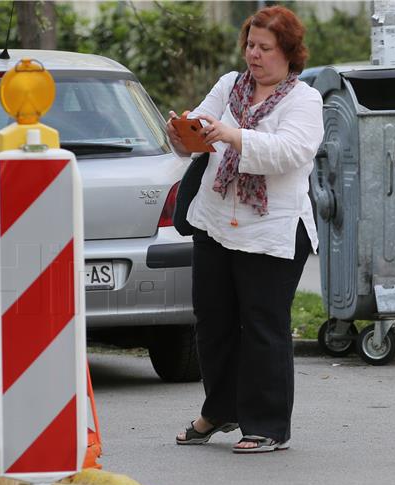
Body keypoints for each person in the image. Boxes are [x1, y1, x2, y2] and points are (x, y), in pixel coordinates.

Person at [167, 5, 323, 453]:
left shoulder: (304, 100)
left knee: (263, 327)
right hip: (215, 221)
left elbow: (291, 153)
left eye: (265, 48)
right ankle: (220, 410)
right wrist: (182, 133)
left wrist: (233, 136)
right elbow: (200, 131)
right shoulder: (228, 86)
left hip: (272, 229)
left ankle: (268, 425)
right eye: (250, 45)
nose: (253, 55)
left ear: (289, 53)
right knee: (212, 322)